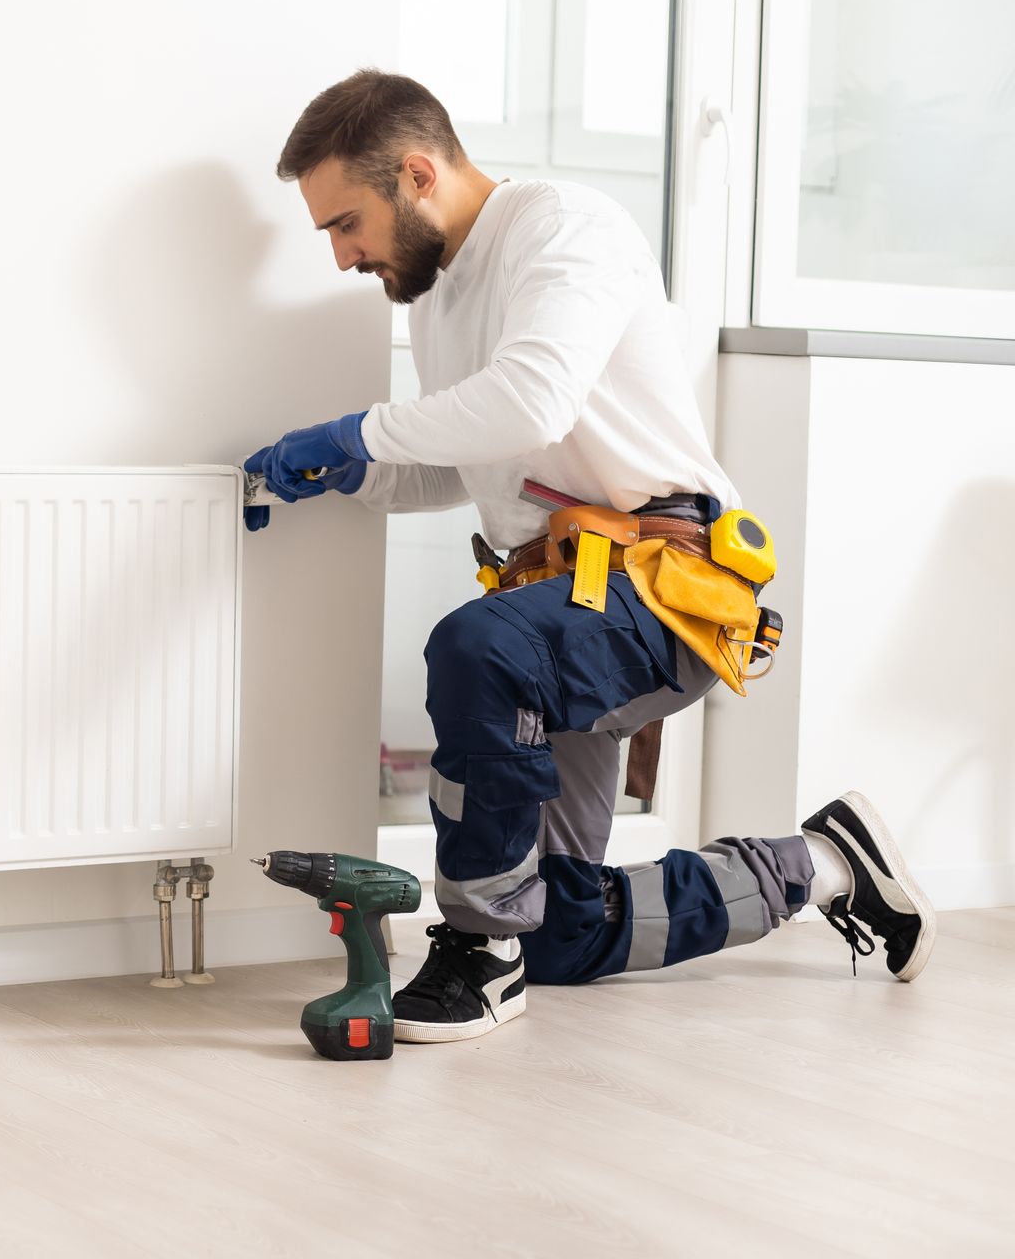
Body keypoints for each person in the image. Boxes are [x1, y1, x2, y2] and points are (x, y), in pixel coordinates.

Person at [246, 70, 935, 1044]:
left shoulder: (565, 231)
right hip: (558, 609)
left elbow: (532, 402)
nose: (342, 254)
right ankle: (823, 862)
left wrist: (364, 427)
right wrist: (340, 471)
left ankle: (480, 952)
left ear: (415, 172)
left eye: (345, 223)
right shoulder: (435, 299)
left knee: (474, 650)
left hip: (666, 588)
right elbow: (474, 460)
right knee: (559, 924)